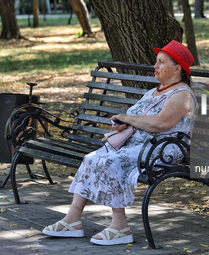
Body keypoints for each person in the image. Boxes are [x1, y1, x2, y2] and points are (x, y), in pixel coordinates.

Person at [42, 40, 198, 246]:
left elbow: (161, 124)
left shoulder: (182, 94)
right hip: (137, 145)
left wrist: (127, 118)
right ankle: (72, 220)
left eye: (161, 62)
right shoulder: (154, 91)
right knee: (92, 158)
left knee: (112, 162)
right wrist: (124, 125)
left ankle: (120, 227)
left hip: (161, 149)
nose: (155, 66)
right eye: (156, 61)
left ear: (177, 68)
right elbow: (139, 119)